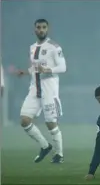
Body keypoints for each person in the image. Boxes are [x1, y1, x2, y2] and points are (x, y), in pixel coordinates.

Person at [15, 19, 66, 163]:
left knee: (51, 123)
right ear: (35, 29)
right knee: (25, 120)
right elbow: (36, 68)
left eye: (44, 27)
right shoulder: (32, 47)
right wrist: (25, 72)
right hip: (34, 89)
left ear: (48, 29)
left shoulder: (54, 47)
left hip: (49, 89)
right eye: (39, 27)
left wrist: (49, 69)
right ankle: (45, 146)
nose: (41, 30)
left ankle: (59, 155)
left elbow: (63, 67)